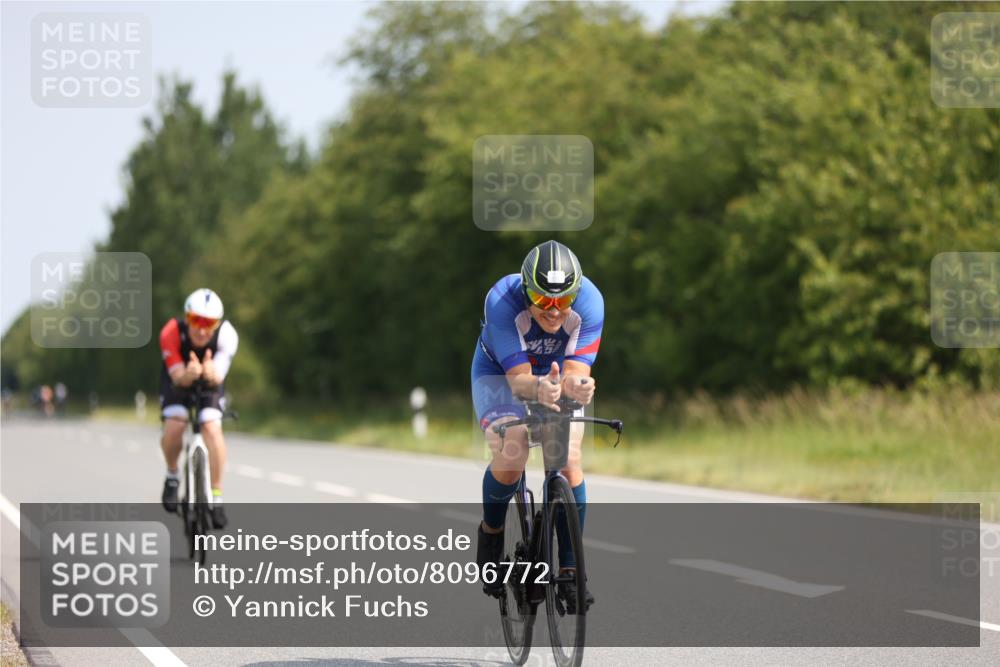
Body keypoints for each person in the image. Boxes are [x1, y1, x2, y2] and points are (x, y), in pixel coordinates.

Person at [471, 240, 603, 611]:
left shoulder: (591, 301)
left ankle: (572, 570)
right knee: (512, 448)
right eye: (544, 300)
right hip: (501, 375)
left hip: (555, 375)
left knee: (568, 459)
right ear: (527, 290)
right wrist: (540, 388)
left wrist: (578, 386)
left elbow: (575, 371)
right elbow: (519, 381)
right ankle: (491, 534)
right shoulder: (502, 299)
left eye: (564, 300)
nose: (555, 311)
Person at [158, 288, 239, 529]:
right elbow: (177, 375)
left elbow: (219, 375)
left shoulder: (227, 335)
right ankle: (172, 475)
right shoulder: (171, 332)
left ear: (218, 324)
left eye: (209, 323)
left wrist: (211, 372)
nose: (202, 330)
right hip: (178, 381)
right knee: (175, 424)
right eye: (196, 321)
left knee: (212, 427)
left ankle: (216, 495)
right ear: (186, 318)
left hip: (210, 384)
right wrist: (188, 374)